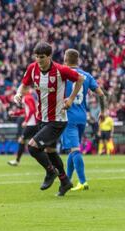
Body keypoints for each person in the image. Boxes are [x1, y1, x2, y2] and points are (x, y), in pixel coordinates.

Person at [14, 42, 84, 197]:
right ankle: (65, 181)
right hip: (42, 118)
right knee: (51, 152)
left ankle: (50, 171)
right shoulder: (32, 68)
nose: (39, 60)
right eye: (37, 57)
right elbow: (24, 85)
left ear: (49, 56)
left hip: (58, 119)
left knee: (32, 147)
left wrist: (71, 99)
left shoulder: (60, 70)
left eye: (42, 57)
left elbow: (80, 79)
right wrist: (19, 94)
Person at [61, 49, 105, 191]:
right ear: (78, 60)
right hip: (82, 117)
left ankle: (83, 181)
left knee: (75, 149)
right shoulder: (86, 75)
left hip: (68, 116)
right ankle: (66, 181)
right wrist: (102, 111)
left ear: (66, 60)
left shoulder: (62, 74)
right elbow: (101, 94)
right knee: (73, 150)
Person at [8, 90, 38, 166]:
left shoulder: (26, 98)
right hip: (34, 123)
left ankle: (17, 161)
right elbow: (26, 111)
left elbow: (32, 110)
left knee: (22, 140)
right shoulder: (29, 97)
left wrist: (26, 121)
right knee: (36, 143)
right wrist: (15, 113)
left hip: (32, 124)